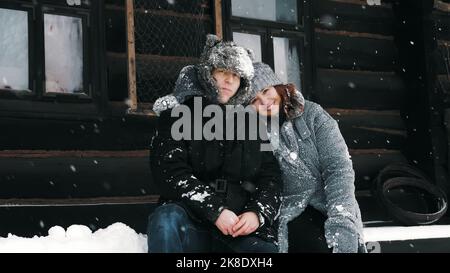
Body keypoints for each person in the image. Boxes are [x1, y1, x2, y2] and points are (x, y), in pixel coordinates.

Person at [147, 36, 282, 253]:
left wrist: (257, 214)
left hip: (239, 227)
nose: (229, 80)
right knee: (166, 221)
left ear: (243, 83)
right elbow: (170, 172)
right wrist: (215, 210)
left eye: (236, 75)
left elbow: (271, 177)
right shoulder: (177, 115)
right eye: (222, 72)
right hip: (190, 221)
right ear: (208, 74)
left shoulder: (252, 123)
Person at [248, 62, 366, 253]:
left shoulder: (313, 114)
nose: (264, 101)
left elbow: (338, 168)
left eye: (266, 90)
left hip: (333, 201)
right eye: (254, 99)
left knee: (345, 244)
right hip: (293, 210)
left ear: (277, 86)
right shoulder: (255, 133)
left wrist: (341, 219)